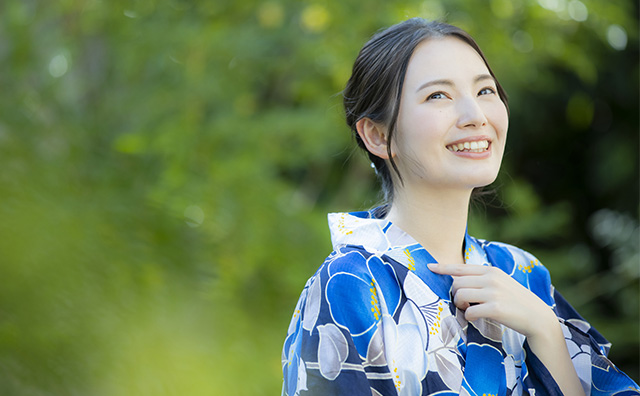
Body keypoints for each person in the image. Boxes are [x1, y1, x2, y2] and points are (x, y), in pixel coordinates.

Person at [281, 18, 640, 396]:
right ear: (378, 135)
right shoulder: (349, 282)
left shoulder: (523, 272)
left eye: (485, 91)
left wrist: (546, 330)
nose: (476, 116)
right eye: (438, 96)